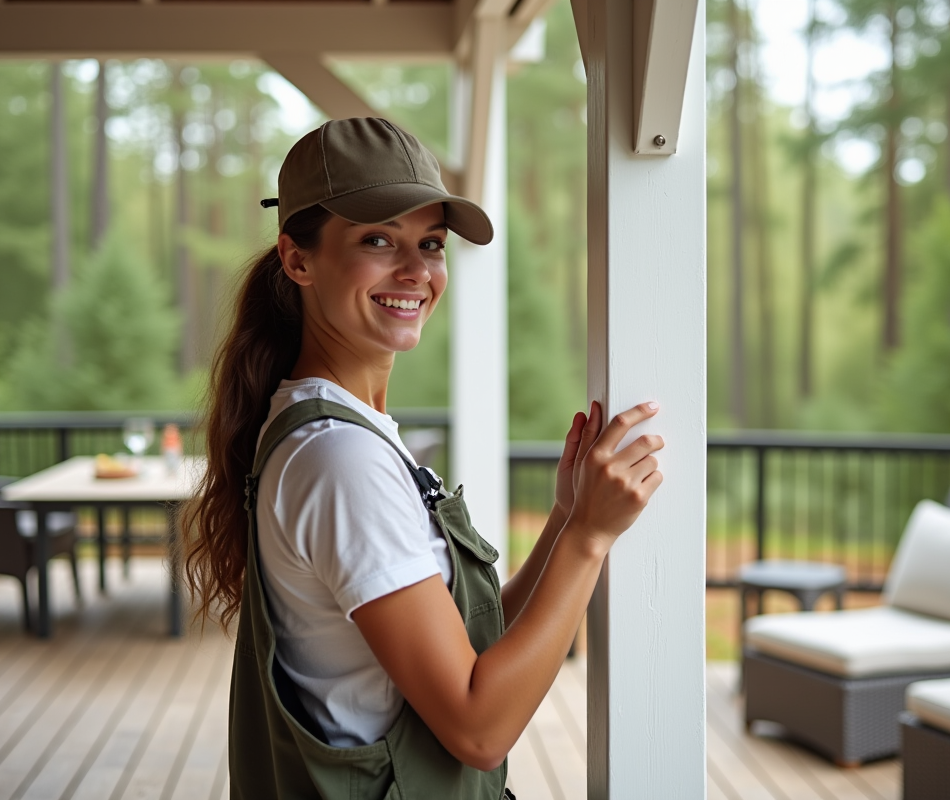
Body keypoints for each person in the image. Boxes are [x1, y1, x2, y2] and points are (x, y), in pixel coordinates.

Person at [182, 118, 664, 800]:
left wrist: (564, 517)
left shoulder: (349, 433)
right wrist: (589, 538)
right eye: (377, 240)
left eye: (431, 244)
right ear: (298, 260)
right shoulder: (340, 459)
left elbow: (463, 646)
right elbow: (478, 727)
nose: (416, 271)